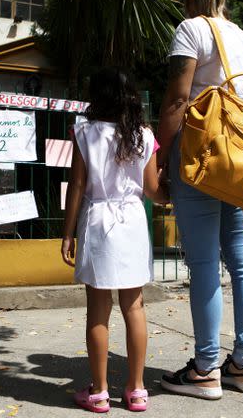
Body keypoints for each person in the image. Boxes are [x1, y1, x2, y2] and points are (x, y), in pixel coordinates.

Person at [156, 0, 243, 400]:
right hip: (237, 168)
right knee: (242, 261)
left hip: (199, 161)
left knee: (203, 264)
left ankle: (204, 368)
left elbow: (178, 98)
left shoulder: (189, 30)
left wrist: (162, 156)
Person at [61, 67, 168, 413]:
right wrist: (176, 192)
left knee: (98, 309)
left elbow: (77, 186)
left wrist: (66, 233)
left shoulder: (85, 133)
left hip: (98, 223)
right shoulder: (144, 136)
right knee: (134, 306)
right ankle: (136, 390)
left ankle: (99, 391)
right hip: (133, 223)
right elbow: (152, 190)